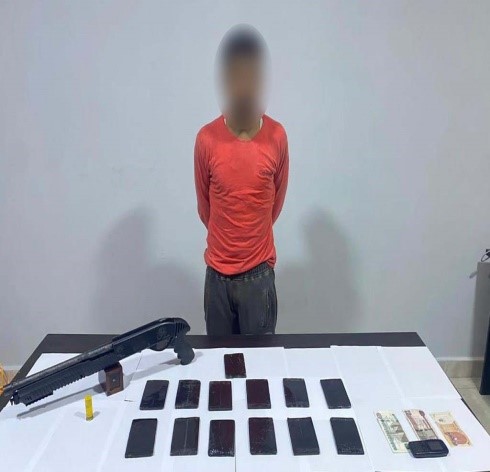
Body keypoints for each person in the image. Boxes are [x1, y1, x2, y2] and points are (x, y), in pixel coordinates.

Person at [194, 25, 289, 335]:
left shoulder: (277, 137)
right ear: (225, 80)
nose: (244, 86)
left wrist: (250, 243)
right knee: (218, 363)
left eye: (251, 76)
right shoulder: (206, 139)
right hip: (217, 279)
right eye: (236, 76)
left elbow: (274, 205)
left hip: (258, 277)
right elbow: (205, 209)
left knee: (261, 363)